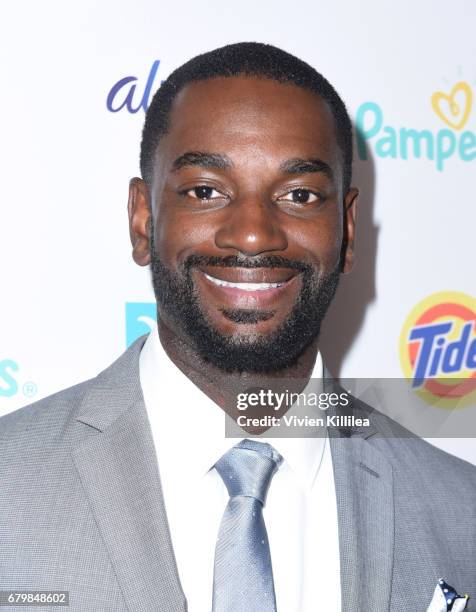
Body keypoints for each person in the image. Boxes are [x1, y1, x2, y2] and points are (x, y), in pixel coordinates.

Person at [0, 42, 475, 612]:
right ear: (143, 218)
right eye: (206, 192)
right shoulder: (12, 479)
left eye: (299, 195)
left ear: (347, 229)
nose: (253, 234)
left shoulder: (460, 511)